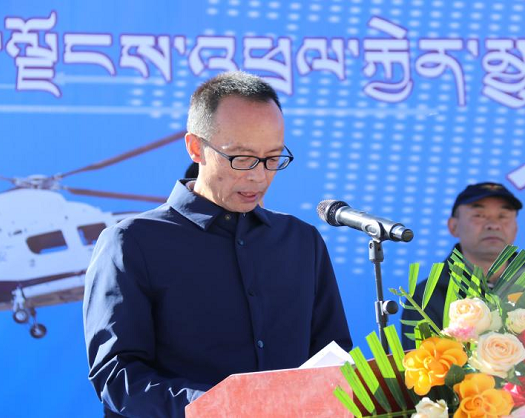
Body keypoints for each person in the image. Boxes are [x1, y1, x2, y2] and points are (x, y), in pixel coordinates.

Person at [83, 71, 352, 417]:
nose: (258, 175)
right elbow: (117, 377)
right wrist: (218, 408)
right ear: (196, 148)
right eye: (242, 158)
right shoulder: (132, 243)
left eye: (273, 159)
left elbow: (332, 356)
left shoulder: (301, 241)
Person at [400, 182, 522, 349]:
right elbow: (423, 361)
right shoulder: (426, 297)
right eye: (479, 215)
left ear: (516, 228)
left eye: (503, 216)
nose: (493, 224)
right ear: (453, 226)